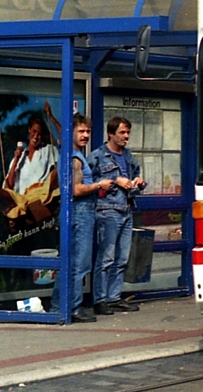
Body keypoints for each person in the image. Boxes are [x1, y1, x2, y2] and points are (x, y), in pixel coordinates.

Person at [50, 115, 113, 323]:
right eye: (81, 131)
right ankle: (73, 308)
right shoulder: (75, 158)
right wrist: (99, 185)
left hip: (77, 211)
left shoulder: (72, 154)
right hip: (80, 212)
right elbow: (75, 190)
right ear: (71, 133)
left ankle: (58, 306)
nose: (85, 135)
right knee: (79, 263)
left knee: (68, 261)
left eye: (88, 131)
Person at [91, 117, 146, 315]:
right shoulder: (98, 155)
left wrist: (138, 182)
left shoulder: (128, 156)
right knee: (106, 257)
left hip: (127, 208)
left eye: (128, 132)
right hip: (108, 210)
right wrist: (115, 180)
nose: (126, 136)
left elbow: (136, 176)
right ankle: (100, 300)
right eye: (122, 132)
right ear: (111, 134)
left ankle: (114, 297)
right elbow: (90, 182)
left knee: (122, 258)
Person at [2, 109, 61, 233]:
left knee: (57, 172)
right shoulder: (19, 157)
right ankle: (18, 219)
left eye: (39, 134)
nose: (36, 136)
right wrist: (16, 159)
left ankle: (20, 220)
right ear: (29, 130)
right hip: (23, 200)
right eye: (34, 131)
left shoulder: (47, 150)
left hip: (40, 197)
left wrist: (51, 117)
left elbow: (65, 140)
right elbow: (9, 186)